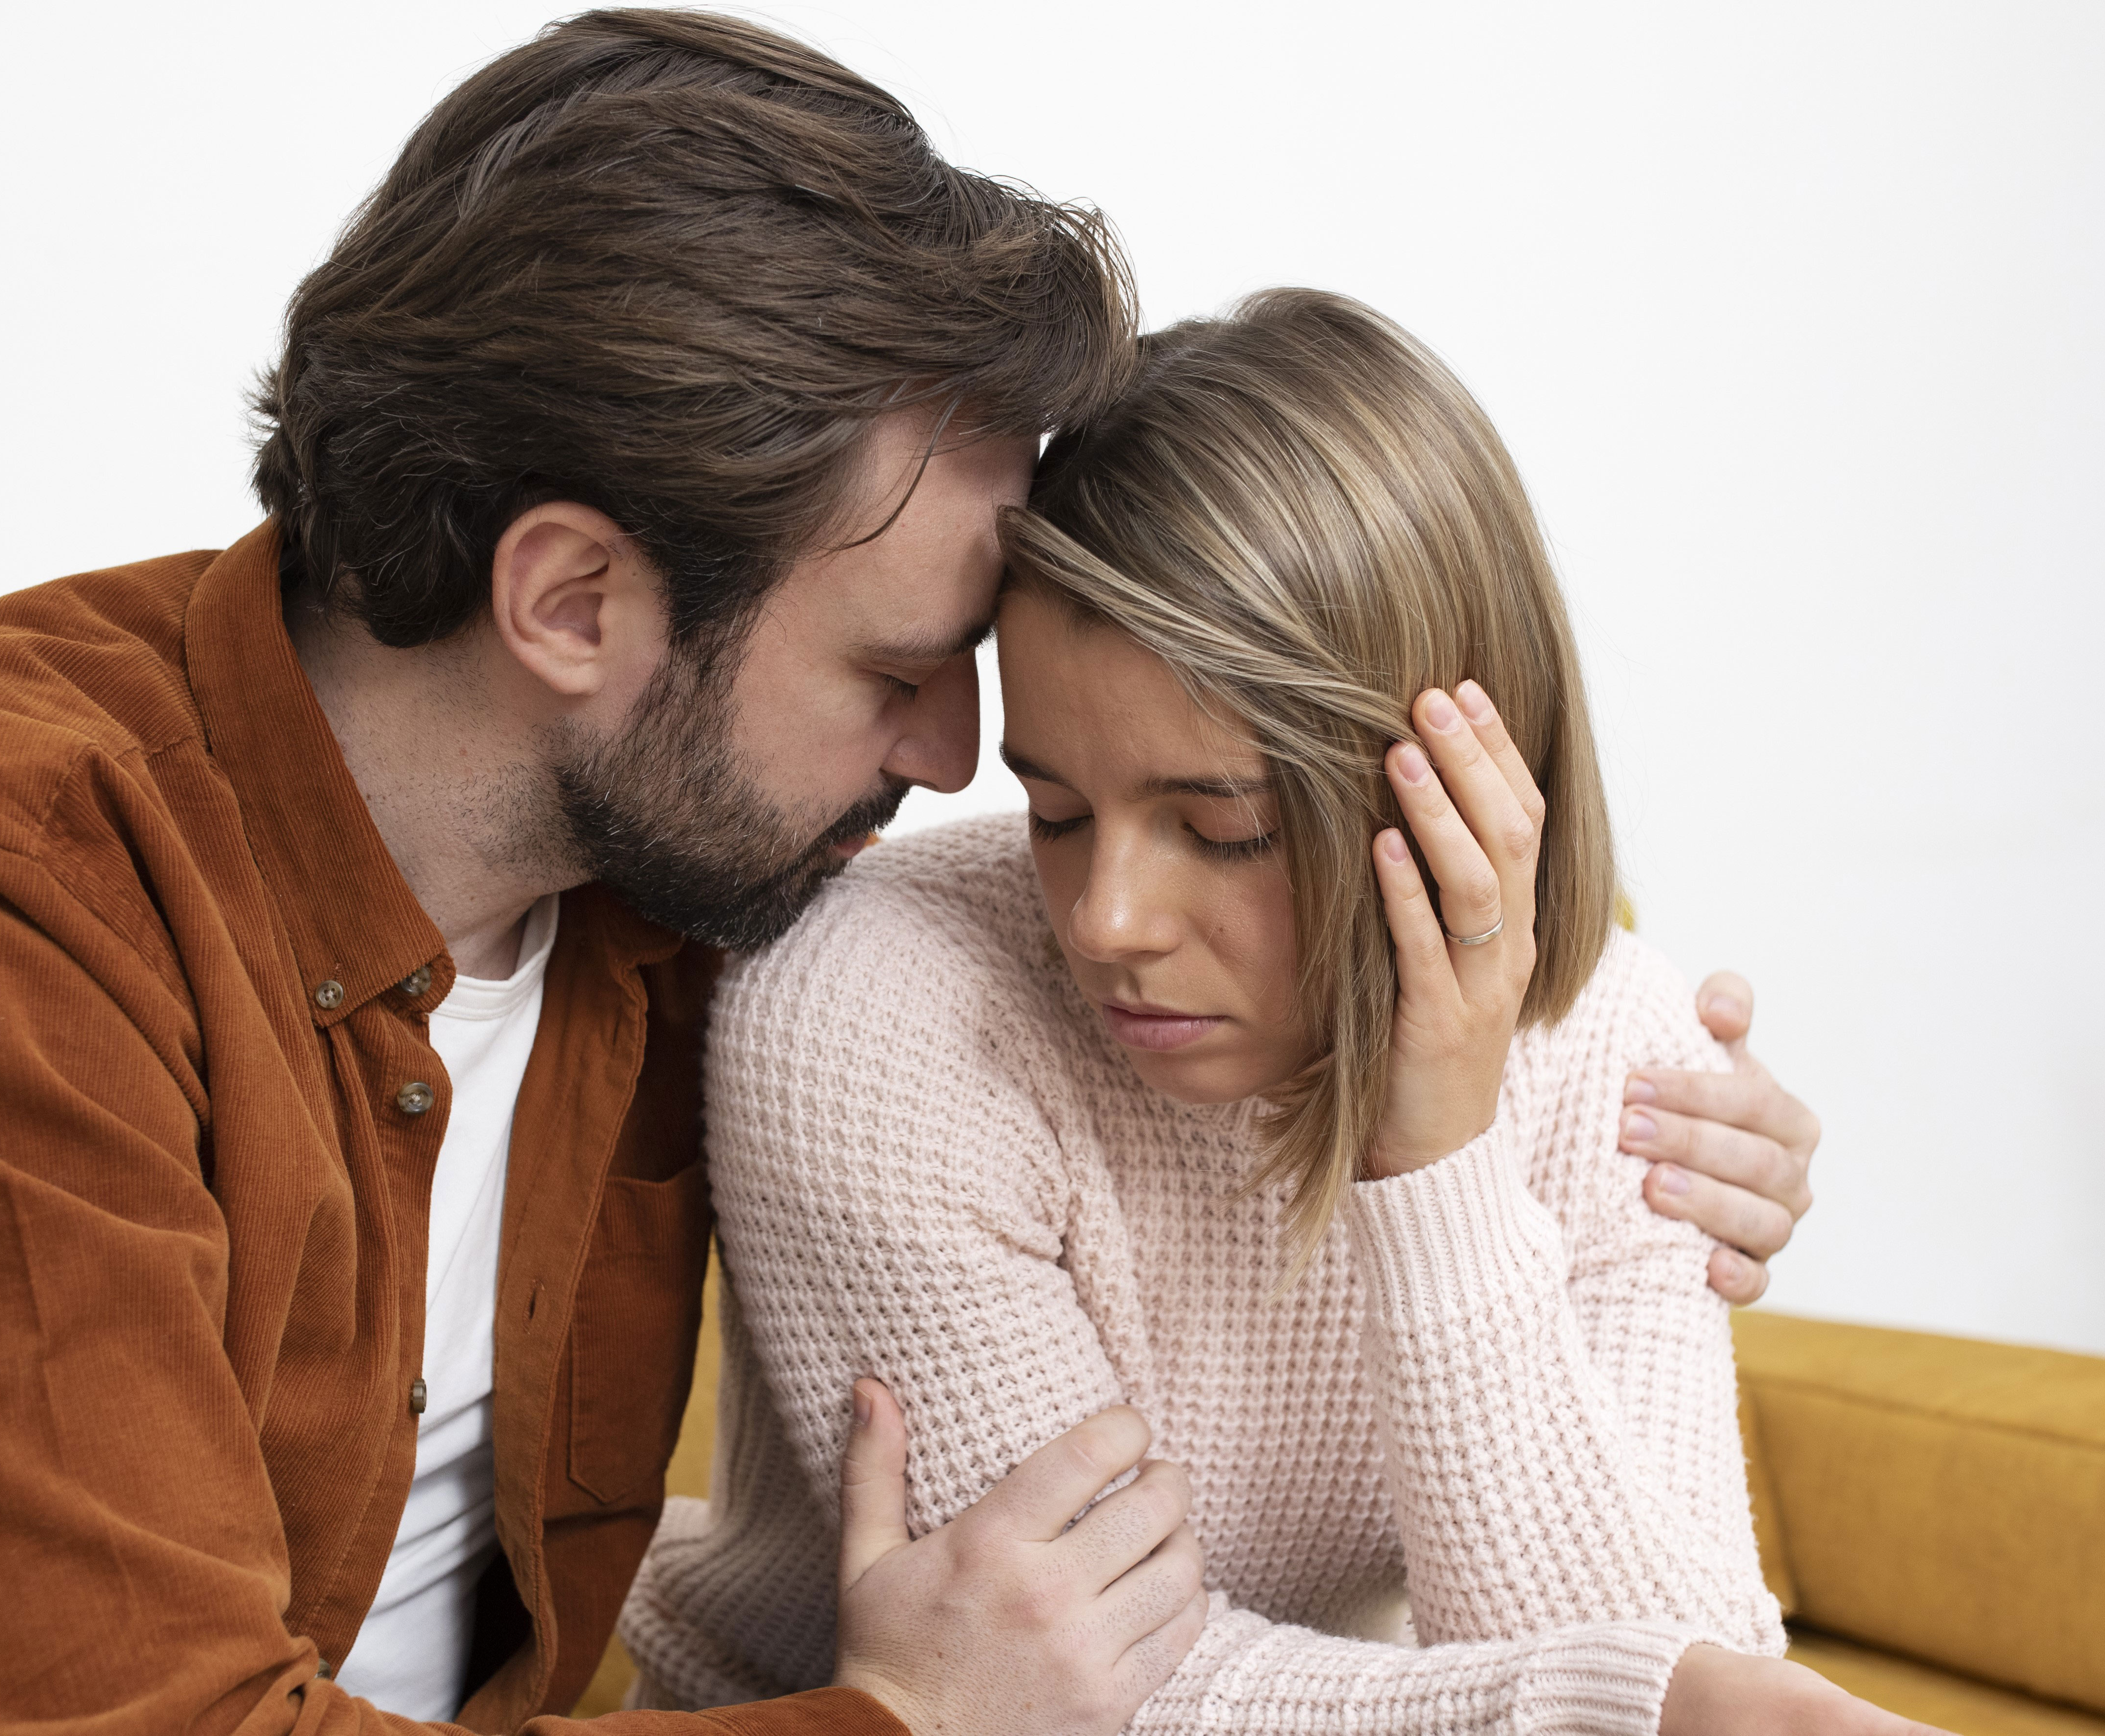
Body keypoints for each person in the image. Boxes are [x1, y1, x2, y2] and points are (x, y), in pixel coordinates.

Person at [0, 14, 1815, 1736]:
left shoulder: (671, 874)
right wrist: (896, 1719)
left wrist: (1552, 1105)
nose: (945, 762)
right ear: (574, 599)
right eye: (891, 674)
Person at [619, 292, 1916, 1735]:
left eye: (1220, 828)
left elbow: (1680, 1671)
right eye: (1052, 809)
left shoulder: (1618, 1047)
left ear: (1443, 788)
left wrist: (1438, 1158)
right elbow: (1068, 1690)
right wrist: (1645, 1707)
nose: (1107, 920)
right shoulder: (873, 1008)